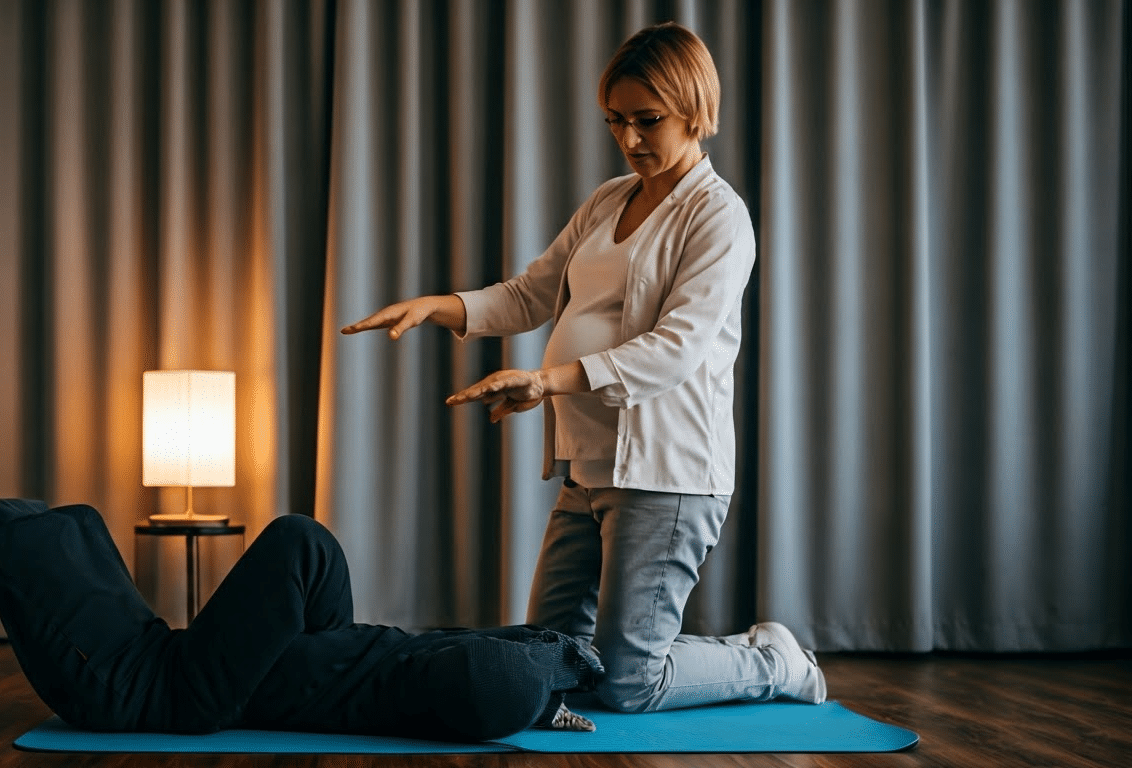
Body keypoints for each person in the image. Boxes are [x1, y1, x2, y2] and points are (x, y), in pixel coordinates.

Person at [341, 22, 825, 713]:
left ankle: (773, 660)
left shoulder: (720, 218)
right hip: (588, 466)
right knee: (549, 653)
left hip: (668, 474)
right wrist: (437, 305)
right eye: (616, 121)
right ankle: (708, 656)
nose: (630, 140)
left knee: (629, 682)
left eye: (647, 121)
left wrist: (546, 381)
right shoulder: (609, 200)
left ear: (695, 110)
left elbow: (674, 350)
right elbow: (531, 293)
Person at [0, 498, 604, 741]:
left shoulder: (462, 679)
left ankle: (537, 674)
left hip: (170, 689)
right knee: (306, 543)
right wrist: (549, 660)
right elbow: (475, 660)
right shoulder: (449, 677)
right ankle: (540, 673)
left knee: (302, 541)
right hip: (171, 683)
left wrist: (546, 665)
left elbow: (478, 665)